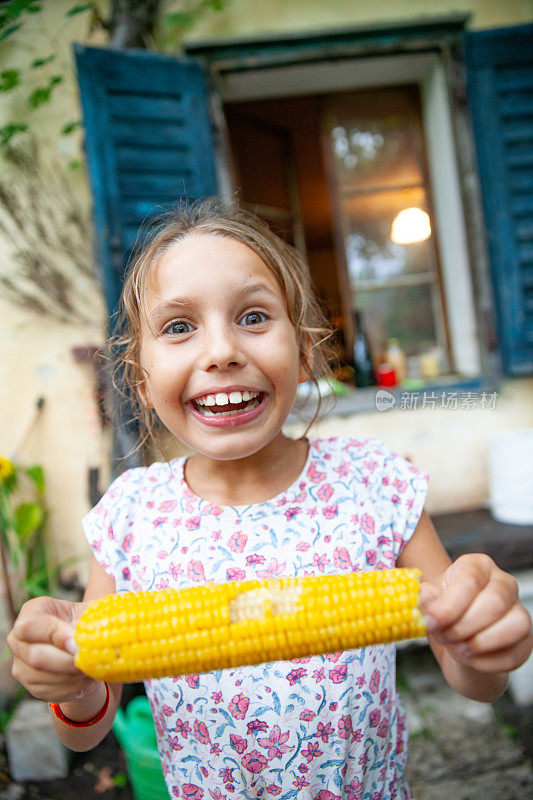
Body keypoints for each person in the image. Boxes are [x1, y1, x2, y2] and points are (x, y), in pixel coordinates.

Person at [7, 200, 533, 799]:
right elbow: (87, 727)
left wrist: (484, 645)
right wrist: (71, 682)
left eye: (254, 317)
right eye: (179, 327)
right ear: (141, 379)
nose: (221, 351)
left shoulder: (374, 485)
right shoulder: (131, 517)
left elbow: (471, 676)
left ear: (304, 349)